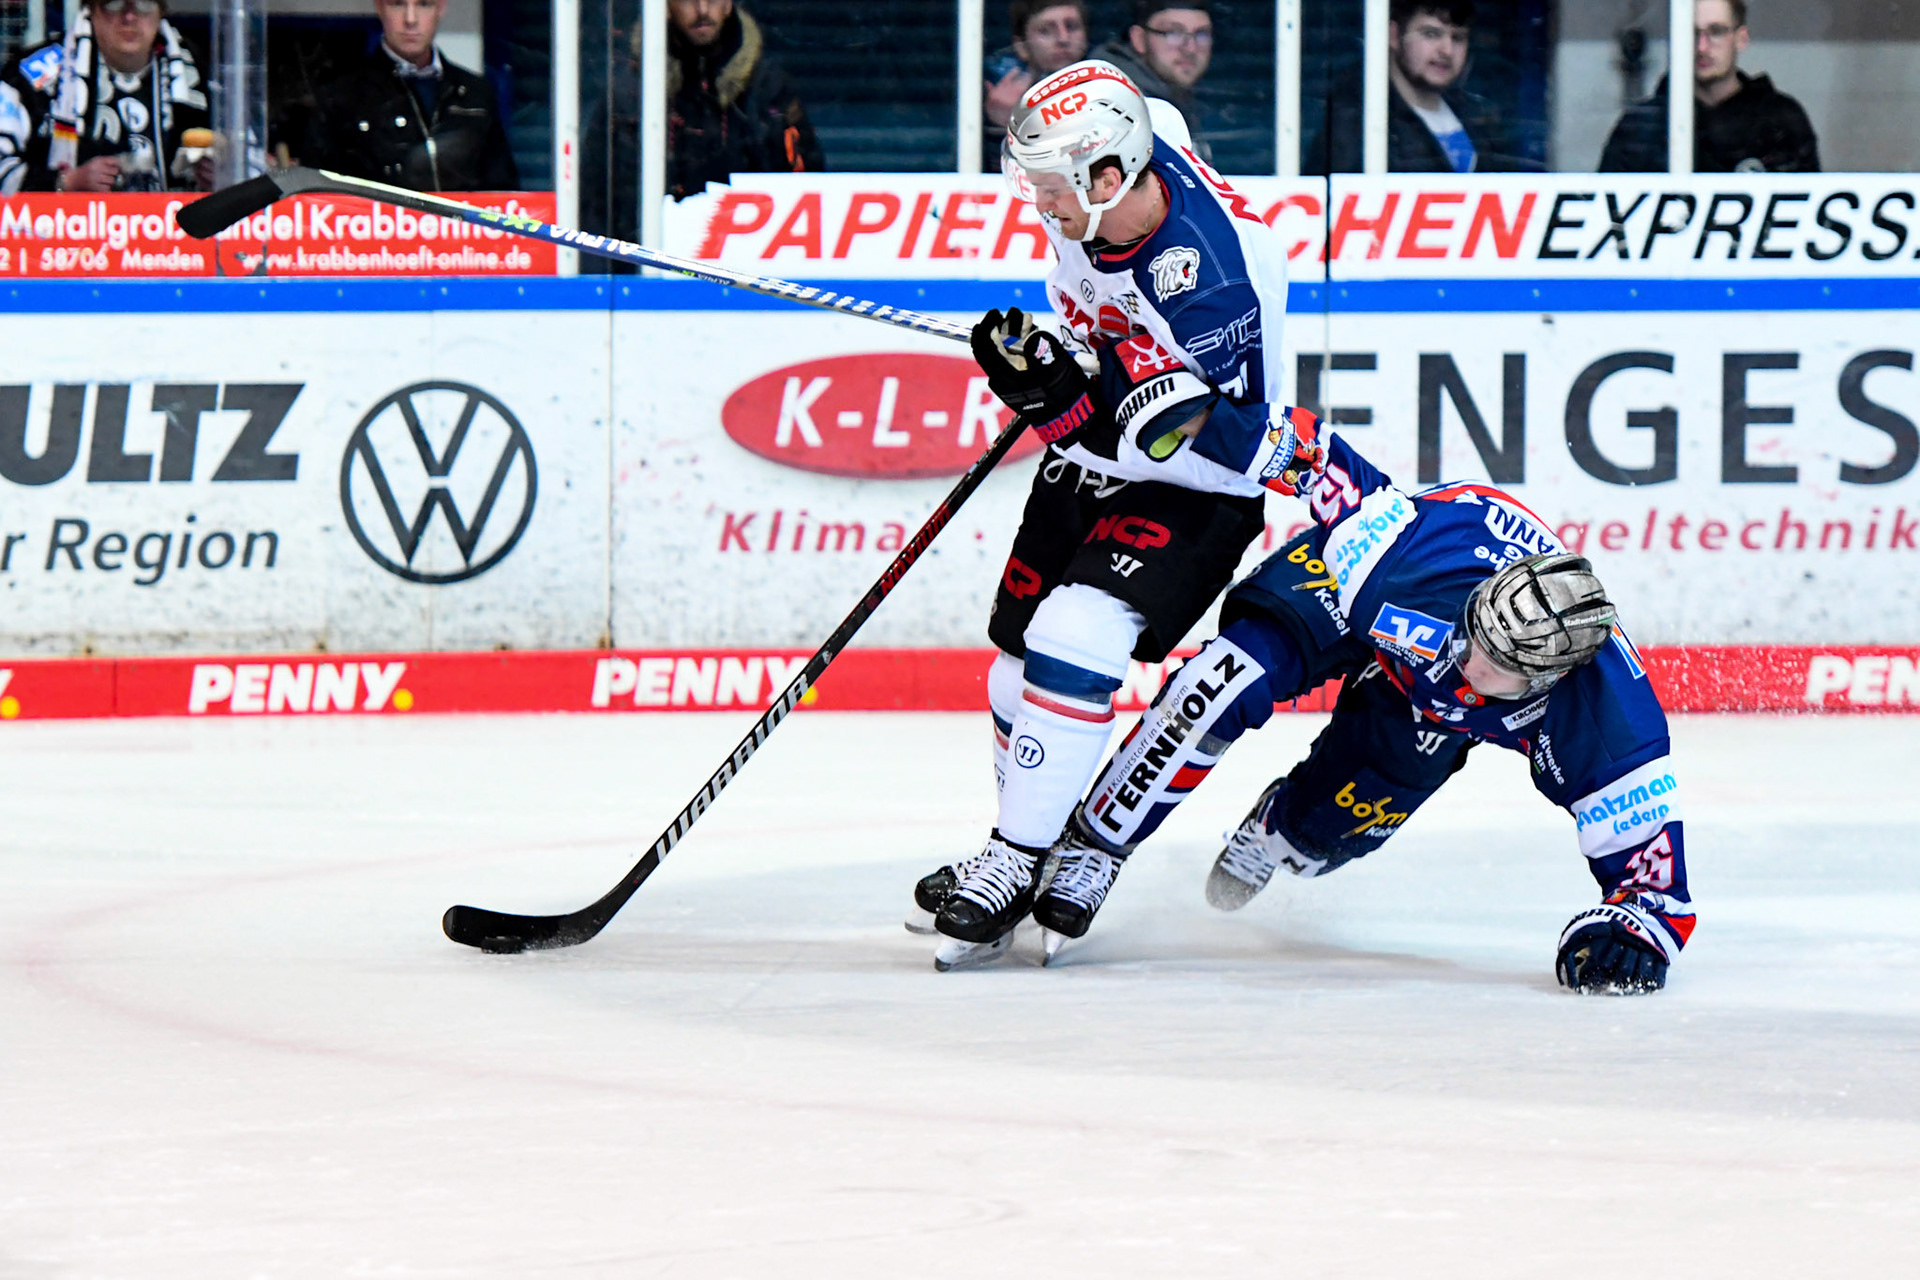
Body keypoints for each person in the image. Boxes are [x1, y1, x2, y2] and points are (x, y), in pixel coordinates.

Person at [1016, 438, 1695, 992]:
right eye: (1475, 635)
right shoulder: (1401, 556)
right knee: (1221, 681)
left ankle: (1272, 826)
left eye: (1497, 665)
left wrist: (1631, 936)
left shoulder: (1607, 720)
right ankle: (1091, 848)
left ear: (1548, 679)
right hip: (1355, 599)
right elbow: (1309, 453)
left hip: (1430, 715)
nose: (1469, 660)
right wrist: (1212, 415)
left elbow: (1656, 892)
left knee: (1313, 844)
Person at [909, 59, 1313, 971]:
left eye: (1052, 186)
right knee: (1015, 668)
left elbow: (1218, 442)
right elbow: (1138, 100)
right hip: (1106, 428)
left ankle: (1016, 859)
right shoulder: (1129, 142)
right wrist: (1059, 363)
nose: (1038, 202)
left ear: (1110, 178)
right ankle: (1029, 838)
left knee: (1075, 630)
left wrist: (1060, 404)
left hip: (1196, 477)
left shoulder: (1215, 288)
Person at [300, 0, 518, 192]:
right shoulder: (341, 98)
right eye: (397, 3)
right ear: (380, 6)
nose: (410, 19)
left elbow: (505, 197)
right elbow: (316, 203)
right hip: (376, 234)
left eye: (424, 4)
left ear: (440, 7)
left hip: (463, 237)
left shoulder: (476, 93)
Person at [0, 0, 210, 194]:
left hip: (171, 229)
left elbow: (235, 162)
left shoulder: (195, 75)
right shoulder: (34, 75)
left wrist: (218, 177)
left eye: (144, 4)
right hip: (63, 229)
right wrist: (65, 182)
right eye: (114, 3)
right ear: (91, 10)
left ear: (161, 11)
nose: (129, 17)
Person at [1304, 0, 1525, 175]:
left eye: (1458, 38)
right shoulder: (1357, 121)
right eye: (1431, 34)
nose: (1446, 50)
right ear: (1393, 35)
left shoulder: (1478, 116)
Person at [1599, 0, 1819, 173]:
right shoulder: (1642, 125)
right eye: (1692, 33)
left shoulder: (1781, 121)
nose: (1702, 47)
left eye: (1716, 31)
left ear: (1740, 39)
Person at [661, 0, 822, 200]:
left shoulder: (769, 89)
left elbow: (806, 189)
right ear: (663, 7)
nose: (702, 10)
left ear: (728, 4)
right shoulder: (637, 90)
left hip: (753, 225)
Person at [1092, 1, 1213, 162]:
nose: (1190, 48)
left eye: (1201, 34)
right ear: (1139, 38)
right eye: (1173, 33)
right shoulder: (1113, 106)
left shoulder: (1206, 101)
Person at [982, 1, 1090, 172]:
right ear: (1022, 47)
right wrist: (999, 128)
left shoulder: (1112, 89)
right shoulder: (992, 94)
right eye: (1046, 31)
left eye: (1072, 27)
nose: (1063, 39)